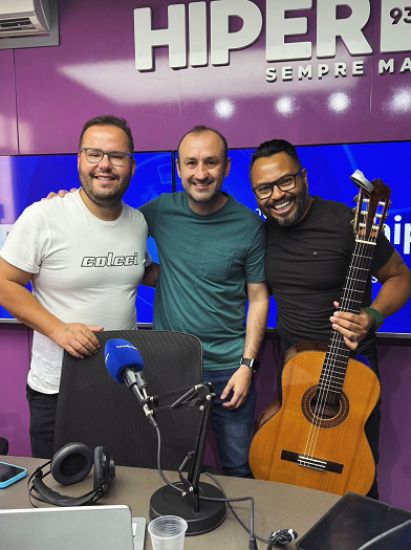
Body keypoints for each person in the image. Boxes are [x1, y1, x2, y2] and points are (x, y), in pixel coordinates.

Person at [250, 138, 411, 495]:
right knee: (289, 490)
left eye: (285, 181)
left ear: (304, 177)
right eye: (264, 189)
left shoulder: (347, 222)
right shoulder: (260, 235)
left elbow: (400, 277)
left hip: (352, 381)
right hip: (296, 380)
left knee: (355, 488)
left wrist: (372, 315)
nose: (277, 195)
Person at [0, 115, 155, 459]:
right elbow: (3, 283)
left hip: (122, 385)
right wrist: (59, 330)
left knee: (123, 480)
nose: (105, 165)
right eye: (94, 154)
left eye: (116, 156)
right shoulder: (44, 216)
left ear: (131, 165)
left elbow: (142, 271)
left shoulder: (137, 222)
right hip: (58, 391)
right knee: (62, 486)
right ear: (79, 160)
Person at [140, 125, 269, 477]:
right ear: (178, 168)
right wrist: (68, 200)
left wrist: (247, 366)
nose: (200, 173)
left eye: (211, 162)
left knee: (239, 467)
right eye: (191, 163)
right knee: (172, 466)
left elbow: (259, 298)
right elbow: (110, 230)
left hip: (229, 370)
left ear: (226, 167)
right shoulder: (159, 211)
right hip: (171, 367)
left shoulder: (249, 225)